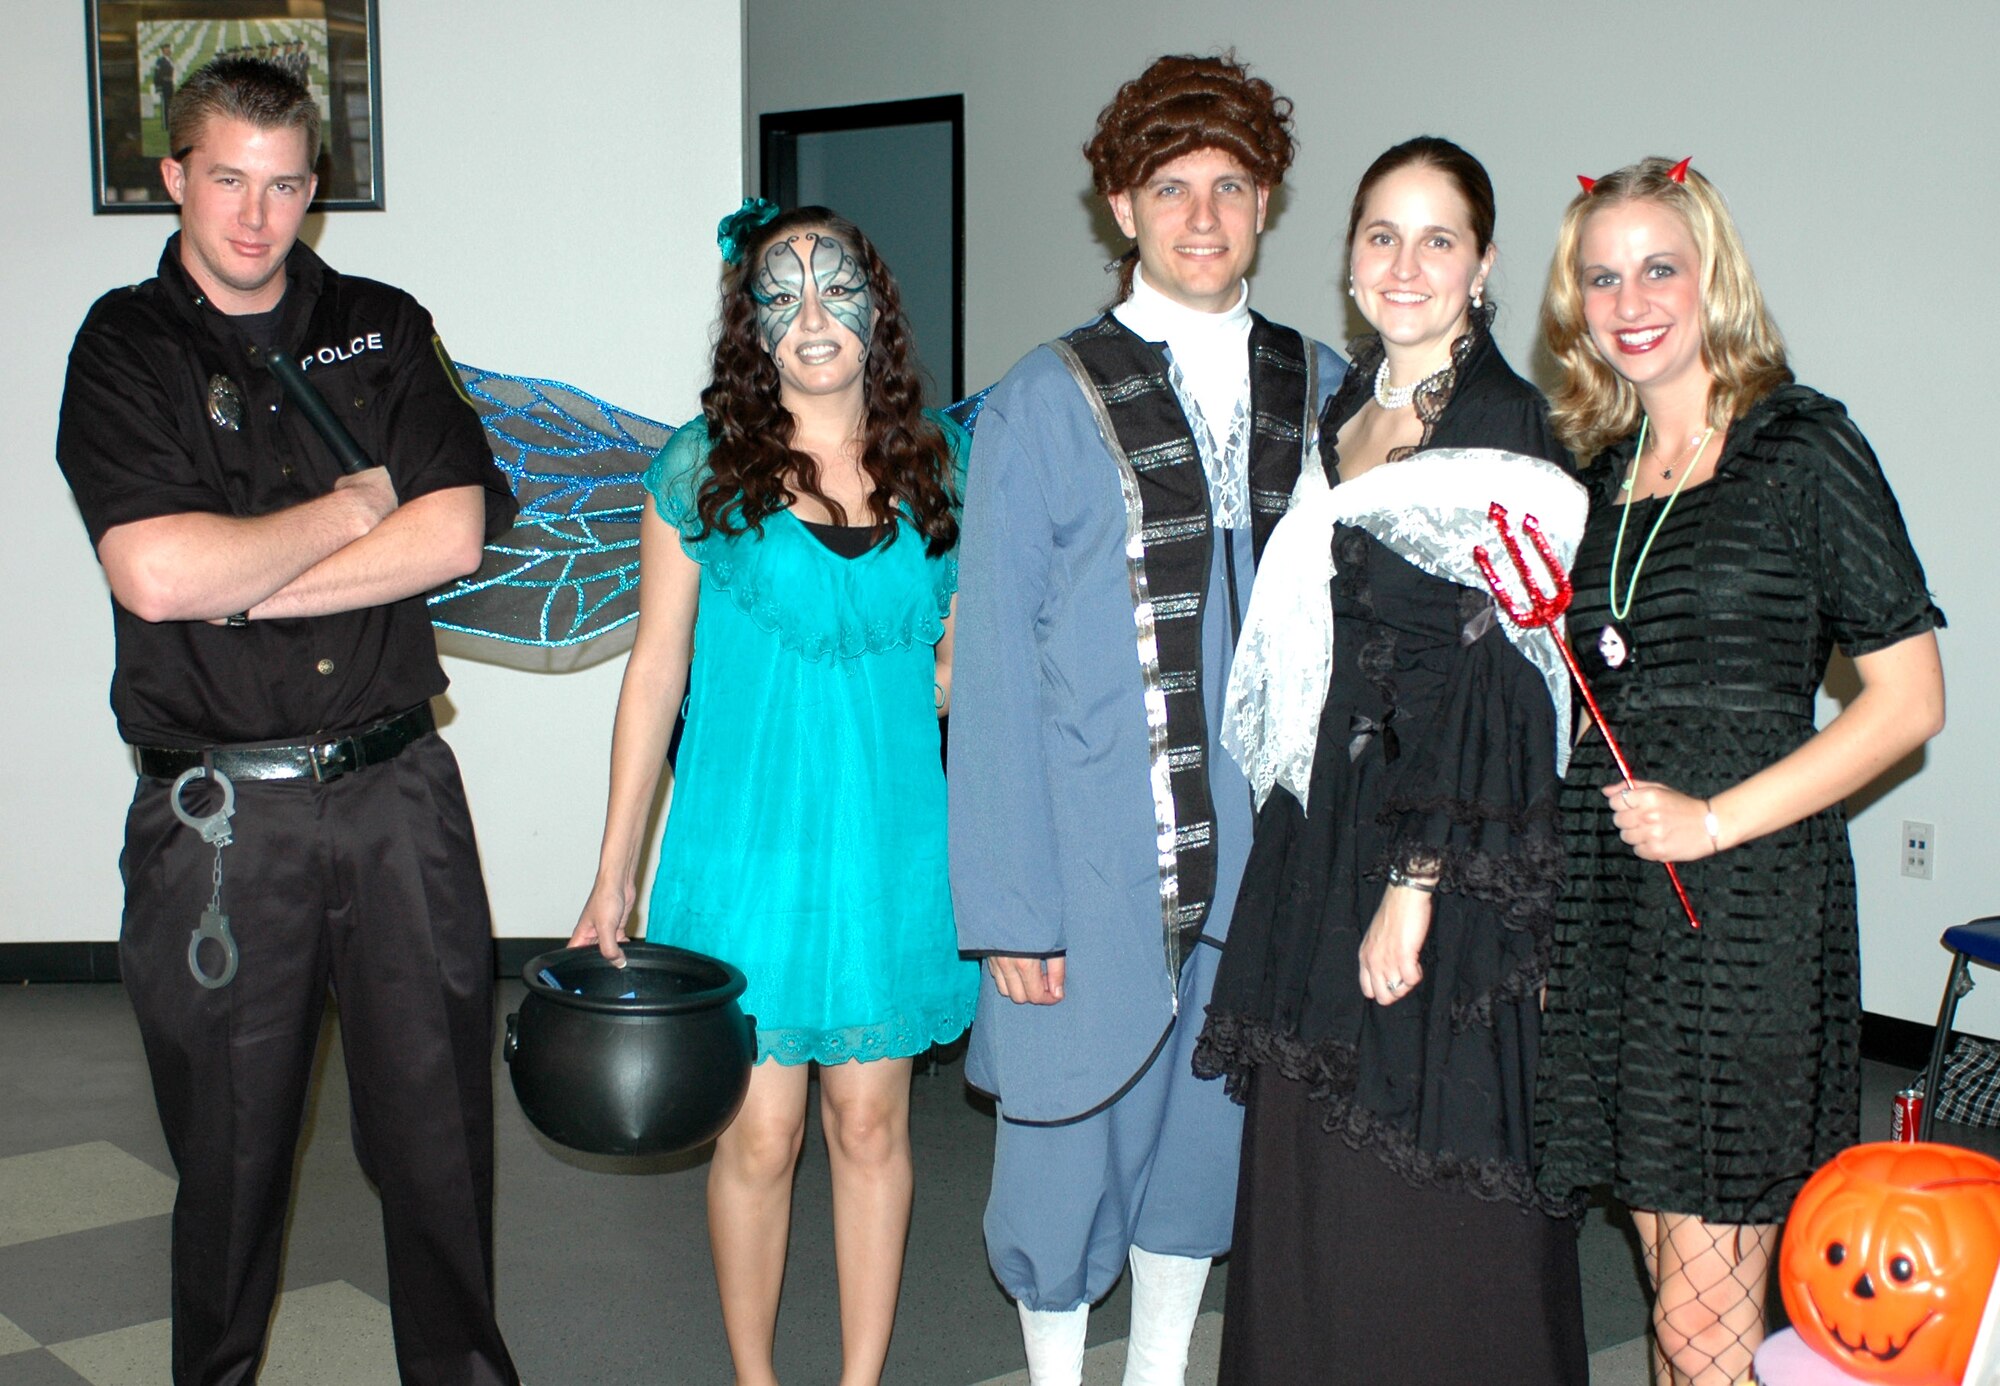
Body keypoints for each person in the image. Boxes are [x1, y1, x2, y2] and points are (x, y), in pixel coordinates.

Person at [53, 57, 519, 1385]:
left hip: (399, 798)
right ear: (176, 178)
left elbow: (459, 526)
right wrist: (349, 509)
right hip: (218, 823)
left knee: (440, 1153)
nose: (256, 218)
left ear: (315, 189)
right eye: (227, 182)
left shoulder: (379, 323)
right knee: (230, 1166)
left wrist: (248, 582)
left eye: (285, 185)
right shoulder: (125, 346)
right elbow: (153, 574)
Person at [949, 53, 1339, 1386]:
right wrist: (1009, 907)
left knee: (1205, 1143)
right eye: (1171, 186)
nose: (1203, 214)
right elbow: (992, 664)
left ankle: (1161, 1372)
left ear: (1266, 199)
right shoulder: (1043, 397)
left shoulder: (1327, 385)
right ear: (1122, 205)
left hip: (1270, 863)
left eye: (1231, 185)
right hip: (1087, 857)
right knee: (1064, 1152)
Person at [1532, 157, 1947, 1386]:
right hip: (1619, 905)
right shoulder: (1605, 476)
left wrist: (1712, 820)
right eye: (1600, 276)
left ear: (1712, 278)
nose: (1629, 297)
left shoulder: (1800, 443)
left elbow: (1908, 699)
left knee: (1699, 1320)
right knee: (1671, 1281)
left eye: (1658, 265)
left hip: (1744, 903)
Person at [1190, 136, 1590, 1385]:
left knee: (1427, 1190)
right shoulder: (1345, 413)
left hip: (1442, 846)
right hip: (1328, 834)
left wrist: (1415, 884)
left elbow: (1503, 688)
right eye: (1379, 234)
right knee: (1319, 1185)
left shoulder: (1500, 426)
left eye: (1436, 238)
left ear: (1481, 268)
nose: (1403, 262)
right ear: (1348, 259)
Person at [569, 202, 977, 1386]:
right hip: (742, 851)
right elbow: (653, 677)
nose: (811, 315)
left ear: (876, 311)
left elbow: (951, 664)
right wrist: (615, 875)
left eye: (835, 287)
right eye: (779, 295)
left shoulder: (940, 468)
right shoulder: (699, 469)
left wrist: (962, 674)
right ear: (749, 326)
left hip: (887, 848)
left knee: (872, 1127)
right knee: (758, 1134)